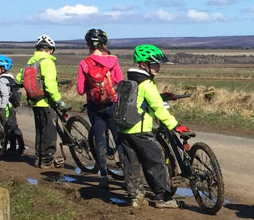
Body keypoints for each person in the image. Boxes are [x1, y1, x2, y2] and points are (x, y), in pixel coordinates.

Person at [118, 44, 181, 209]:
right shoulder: (146, 84)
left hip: (124, 129)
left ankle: (136, 198)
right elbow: (158, 108)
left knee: (131, 164)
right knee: (155, 161)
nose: (158, 67)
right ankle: (163, 198)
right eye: (154, 64)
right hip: (141, 131)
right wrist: (174, 125)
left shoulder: (130, 80)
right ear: (143, 64)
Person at [76, 28, 124, 188]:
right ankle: (127, 170)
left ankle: (104, 176)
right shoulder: (113, 60)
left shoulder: (84, 63)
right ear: (104, 44)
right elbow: (121, 82)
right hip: (113, 104)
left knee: (100, 139)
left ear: (88, 45)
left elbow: (80, 90)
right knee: (120, 139)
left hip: (94, 105)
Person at [17, 34, 68, 168]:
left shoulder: (29, 62)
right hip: (46, 101)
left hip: (34, 101)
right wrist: (58, 100)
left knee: (40, 130)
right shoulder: (47, 61)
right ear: (51, 50)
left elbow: (19, 78)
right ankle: (46, 160)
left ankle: (38, 158)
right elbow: (50, 84)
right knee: (49, 131)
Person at [0, 55, 25, 159]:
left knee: (11, 128)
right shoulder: (7, 78)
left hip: (5, 107)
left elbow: (5, 95)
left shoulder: (2, 80)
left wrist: (3, 109)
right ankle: (13, 149)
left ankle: (18, 148)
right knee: (10, 128)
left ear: (3, 69)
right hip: (7, 106)